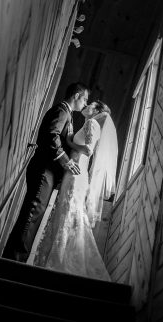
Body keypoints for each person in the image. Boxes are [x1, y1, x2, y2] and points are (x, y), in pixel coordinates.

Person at [3, 83, 90, 262]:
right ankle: (13, 260)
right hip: (44, 169)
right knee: (33, 211)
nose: (85, 103)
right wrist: (66, 161)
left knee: (34, 211)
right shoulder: (62, 110)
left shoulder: (67, 114)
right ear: (76, 96)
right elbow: (51, 135)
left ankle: (14, 257)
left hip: (48, 171)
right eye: (84, 99)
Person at [32, 100, 118, 281]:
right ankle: (62, 258)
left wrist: (69, 142)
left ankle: (61, 260)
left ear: (96, 110)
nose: (86, 106)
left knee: (70, 212)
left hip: (76, 174)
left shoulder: (92, 123)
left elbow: (87, 150)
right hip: (74, 173)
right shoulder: (88, 123)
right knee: (67, 212)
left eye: (90, 105)